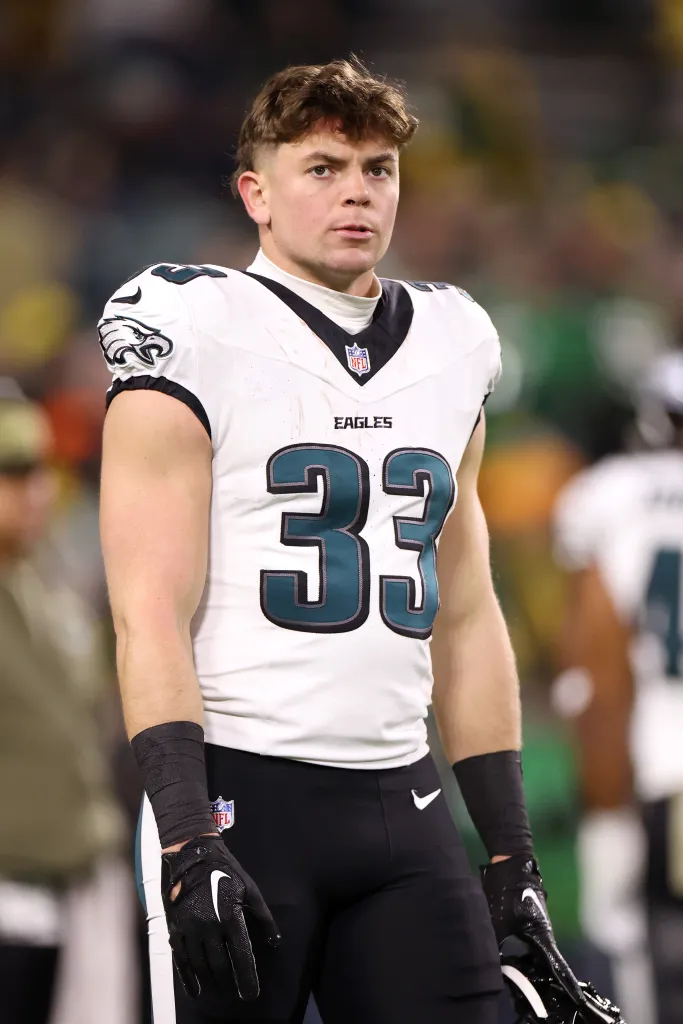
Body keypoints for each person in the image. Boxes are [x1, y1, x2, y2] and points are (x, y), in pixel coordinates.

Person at [99, 59, 602, 1024]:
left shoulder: (455, 341)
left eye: (377, 168)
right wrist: (184, 834)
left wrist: (508, 849)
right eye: (322, 167)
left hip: (400, 801)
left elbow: (463, 610)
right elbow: (145, 607)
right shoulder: (193, 324)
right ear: (257, 192)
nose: (357, 191)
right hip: (240, 795)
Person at [554, 351, 683, 1024]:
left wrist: (603, 802)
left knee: (632, 938)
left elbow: (600, 662)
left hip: (658, 759)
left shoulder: (608, 494)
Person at [0, 380, 131, 1024]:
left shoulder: (49, 580)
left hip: (75, 875)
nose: (33, 490)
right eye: (11, 473)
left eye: (37, 471)